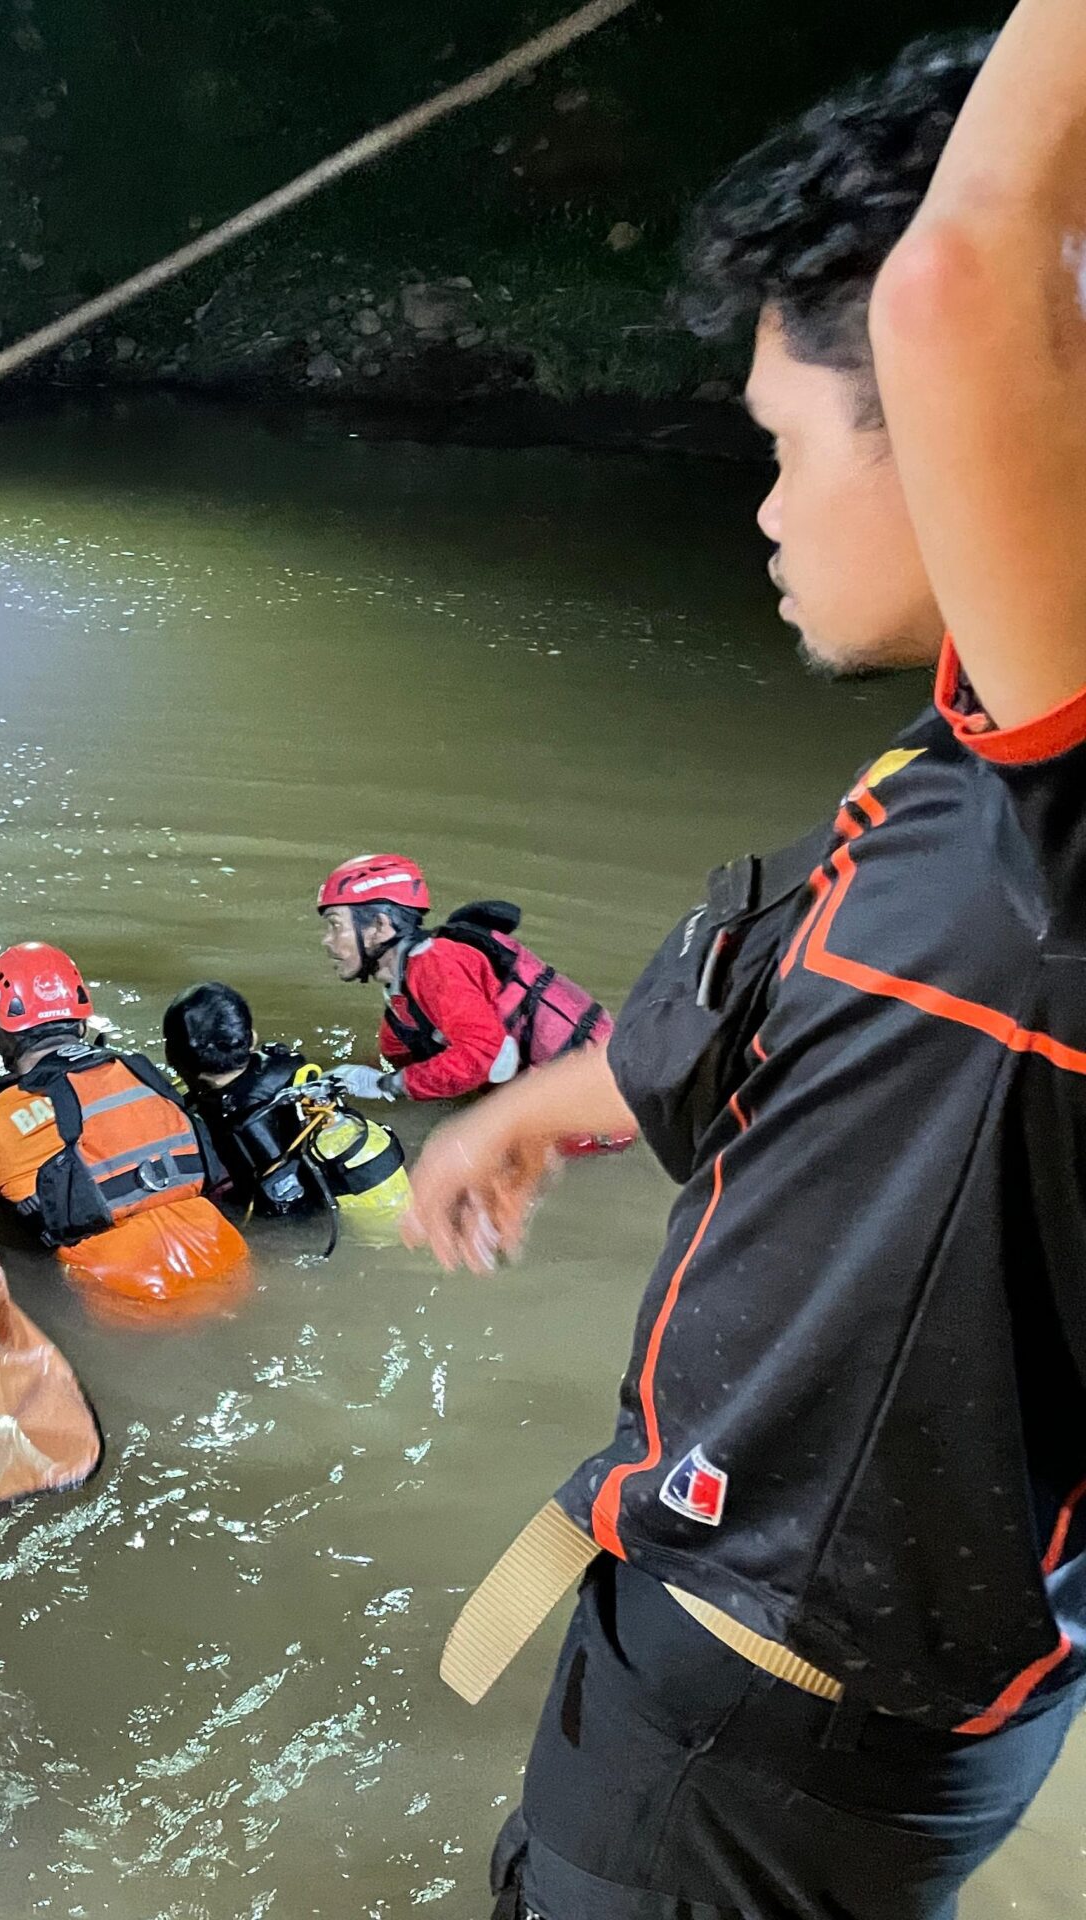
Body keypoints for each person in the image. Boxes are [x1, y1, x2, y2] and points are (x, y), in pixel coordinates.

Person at [405, 24, 1086, 1919]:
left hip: (767, 1756)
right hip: (739, 1680)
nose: (766, 514)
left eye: (786, 450)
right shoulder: (954, 806)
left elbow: (962, 277)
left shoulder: (1066, 846)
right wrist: (527, 1118)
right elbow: (761, 1021)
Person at [0, 943, 247, 1314]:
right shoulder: (143, 1073)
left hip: (123, 1295)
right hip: (229, 1262)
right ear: (81, 1023)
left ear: (3, 1035)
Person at [314, 855, 610, 1108]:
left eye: (336, 925)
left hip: (588, 1113)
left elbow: (484, 1053)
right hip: (551, 1101)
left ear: (380, 926)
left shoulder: (438, 964)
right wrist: (330, 1082)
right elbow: (401, 1063)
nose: (327, 941)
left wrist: (385, 1084)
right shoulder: (402, 994)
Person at [160, 982, 406, 1233]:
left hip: (294, 1223)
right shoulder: (289, 1069)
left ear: (170, 1056)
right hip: (362, 1197)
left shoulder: (208, 1127)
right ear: (252, 1039)